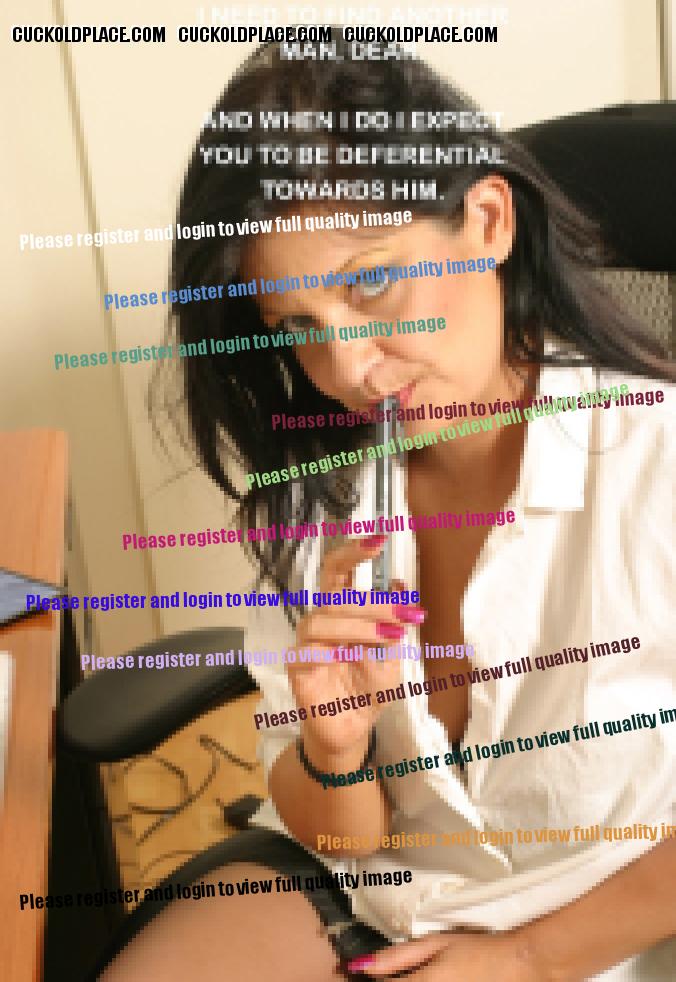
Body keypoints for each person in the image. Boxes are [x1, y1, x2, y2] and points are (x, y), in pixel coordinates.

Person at [103, 35, 675, 981]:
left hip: (605, 928)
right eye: (297, 325)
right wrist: (336, 751)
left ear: (488, 220)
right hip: (388, 902)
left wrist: (527, 959)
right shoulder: (319, 495)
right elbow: (347, 836)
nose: (345, 370)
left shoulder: (655, 462)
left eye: (371, 283)